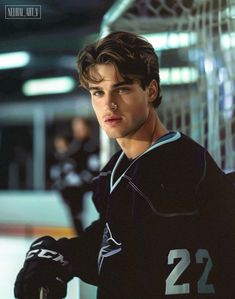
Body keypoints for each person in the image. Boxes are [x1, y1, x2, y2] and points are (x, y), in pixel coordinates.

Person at [14, 31, 235, 299]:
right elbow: (115, 239)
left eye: (122, 88)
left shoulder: (180, 166)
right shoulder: (117, 168)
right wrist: (63, 255)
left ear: (150, 90)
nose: (109, 104)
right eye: (98, 92)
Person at [48, 119, 100, 234]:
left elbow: (94, 170)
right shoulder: (73, 147)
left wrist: (79, 178)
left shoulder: (91, 147)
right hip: (75, 191)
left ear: (88, 129)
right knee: (77, 220)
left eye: (80, 128)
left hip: (88, 191)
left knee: (83, 221)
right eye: (75, 129)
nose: (77, 131)